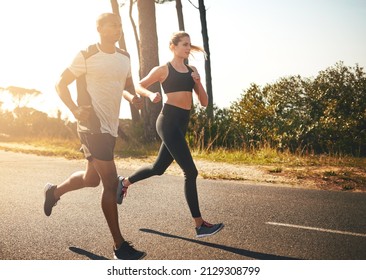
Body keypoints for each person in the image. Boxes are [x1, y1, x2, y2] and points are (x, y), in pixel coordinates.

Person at [44, 13, 145, 260]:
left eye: (120, 26)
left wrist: (134, 99)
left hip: (110, 127)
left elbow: (125, 86)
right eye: (113, 25)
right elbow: (60, 83)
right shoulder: (86, 54)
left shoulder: (124, 57)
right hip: (91, 126)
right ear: (99, 28)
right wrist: (74, 109)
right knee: (110, 183)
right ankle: (119, 246)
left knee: (91, 179)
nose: (118, 29)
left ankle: (54, 192)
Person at [117, 31, 224, 238]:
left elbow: (204, 102)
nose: (187, 48)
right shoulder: (163, 69)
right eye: (184, 44)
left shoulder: (192, 71)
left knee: (158, 168)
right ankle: (200, 225)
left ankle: (124, 183)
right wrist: (151, 94)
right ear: (173, 46)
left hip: (181, 123)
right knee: (190, 172)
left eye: (189, 44)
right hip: (167, 121)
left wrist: (198, 82)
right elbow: (139, 85)